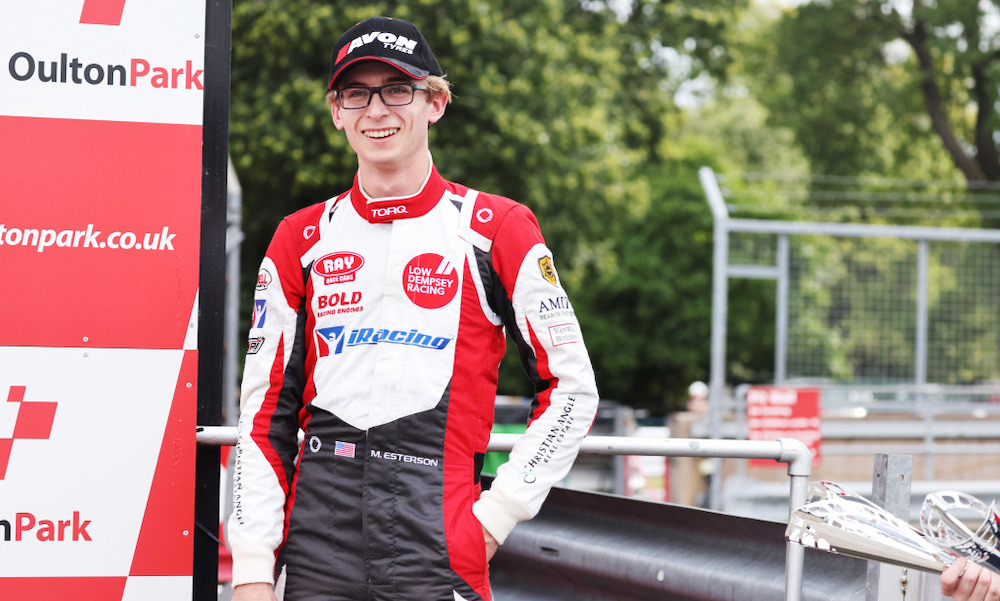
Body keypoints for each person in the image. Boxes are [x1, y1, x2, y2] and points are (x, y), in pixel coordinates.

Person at [227, 16, 600, 601]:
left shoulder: (497, 229)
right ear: (337, 111)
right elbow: (263, 414)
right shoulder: (299, 239)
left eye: (397, 90)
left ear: (436, 103)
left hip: (440, 543)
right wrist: (251, 569)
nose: (376, 110)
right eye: (356, 93)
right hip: (316, 549)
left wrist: (495, 518)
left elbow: (573, 389)